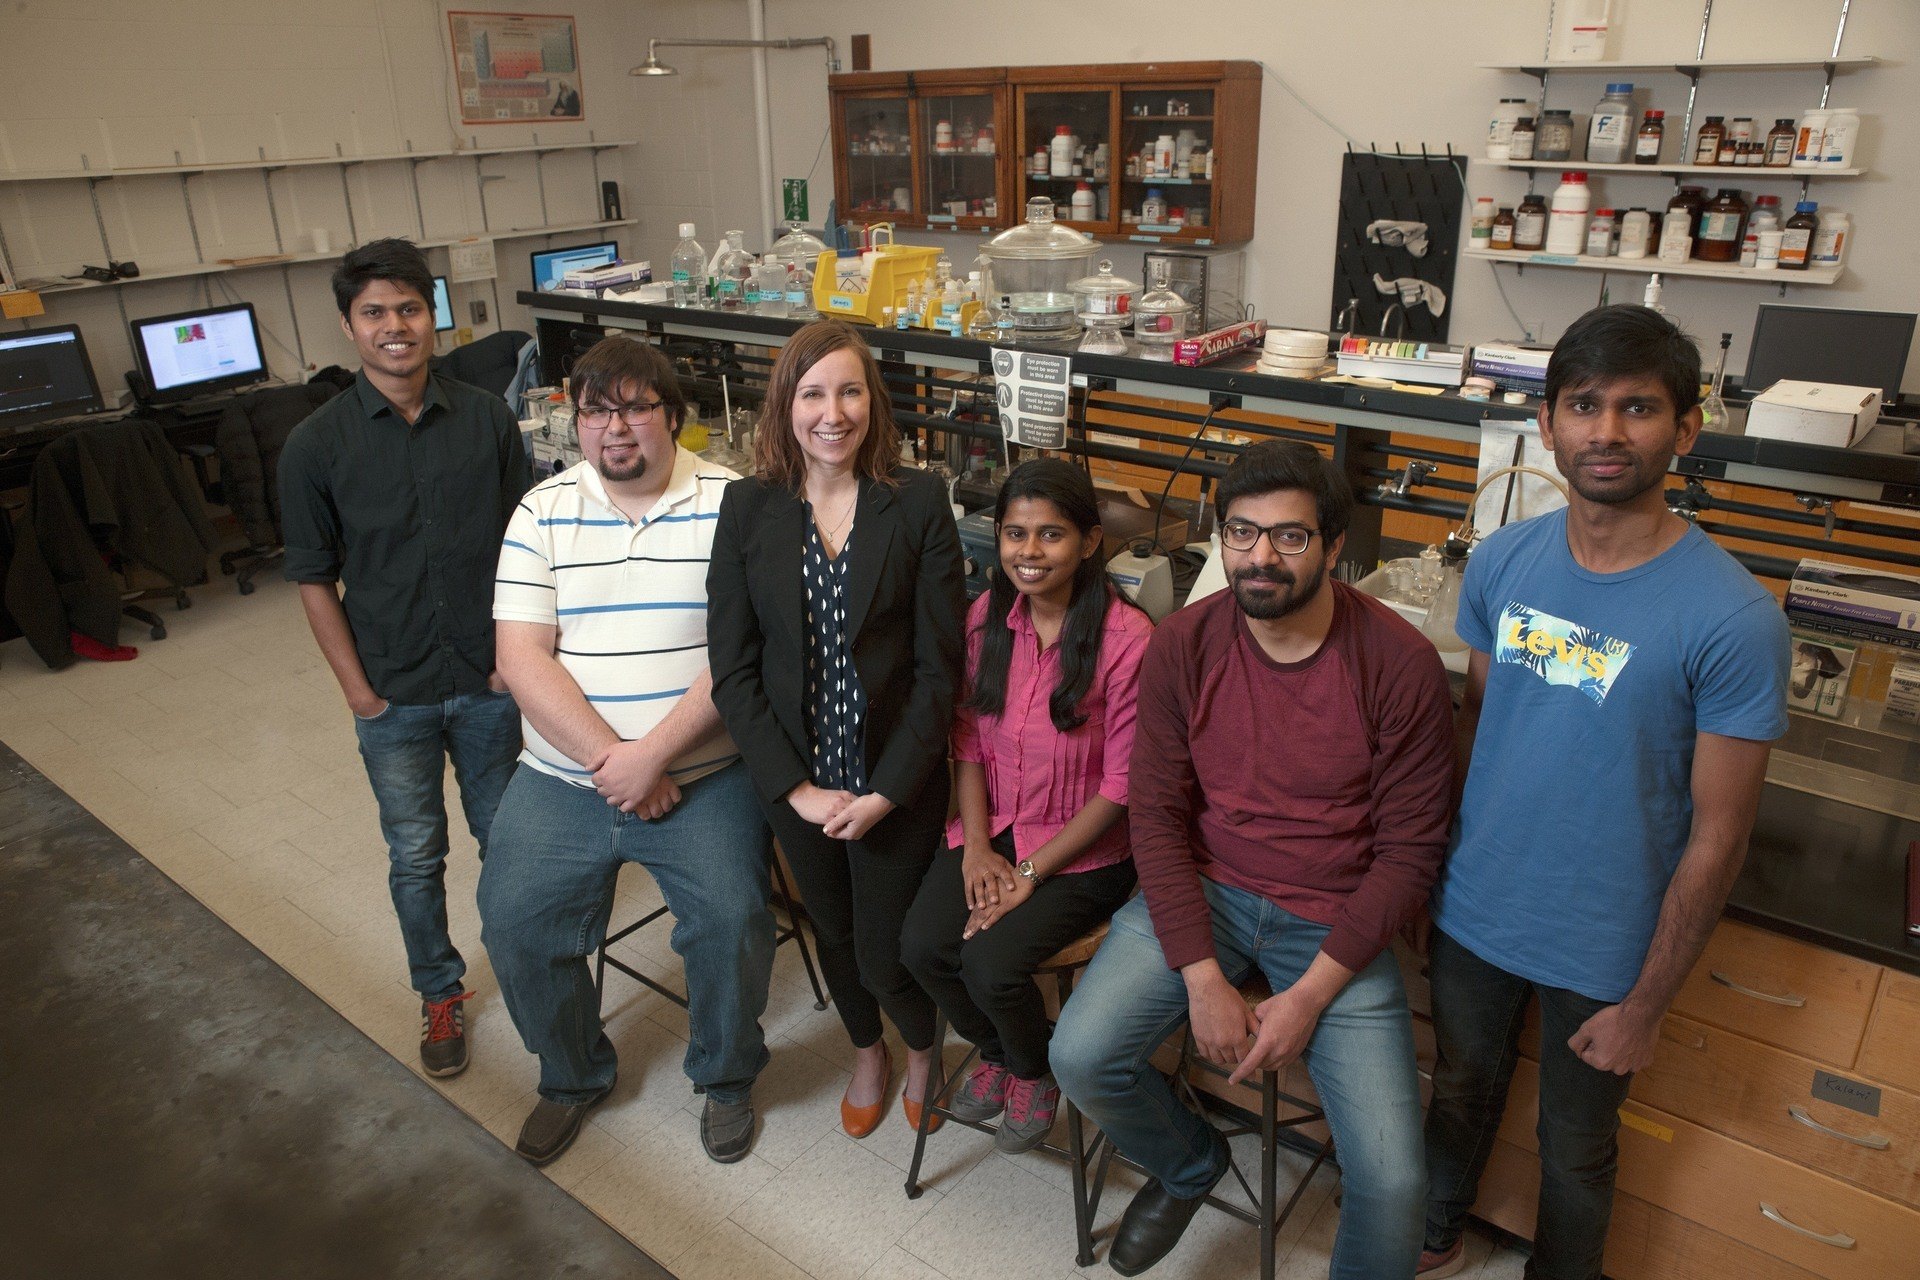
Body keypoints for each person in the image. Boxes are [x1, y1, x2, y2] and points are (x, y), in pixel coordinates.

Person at [1417, 305, 1789, 1280]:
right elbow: (1480, 727)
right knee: (1457, 1089)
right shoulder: (1503, 562)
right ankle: (1434, 1231)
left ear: (1686, 428)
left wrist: (1649, 1001)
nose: (1607, 430)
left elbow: (1720, 833)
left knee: (1575, 1146)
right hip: (1477, 908)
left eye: (1639, 407)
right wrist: (1433, 878)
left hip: (1608, 943)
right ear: (1547, 424)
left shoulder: (1734, 617)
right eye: (1584, 405)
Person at [1051, 440, 1454, 1279]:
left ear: (1335, 549)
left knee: (1394, 1182)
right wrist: (1202, 977)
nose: (1260, 556)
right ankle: (1190, 1163)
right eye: (1241, 532)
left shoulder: (1398, 663)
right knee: (1080, 1056)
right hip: (1210, 889)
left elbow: (1410, 853)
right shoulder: (1185, 643)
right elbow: (1157, 816)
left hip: (1333, 919)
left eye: (1289, 536)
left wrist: (1309, 998)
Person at [477, 336, 775, 1167]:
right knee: (512, 919)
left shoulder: (734, 504)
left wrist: (656, 757)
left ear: (673, 417)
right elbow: (521, 658)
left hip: (703, 774)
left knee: (733, 919)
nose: (615, 427)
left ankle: (725, 1075)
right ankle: (572, 1075)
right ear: (575, 421)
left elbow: (744, 654)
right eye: (595, 410)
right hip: (563, 777)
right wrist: (618, 761)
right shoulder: (540, 511)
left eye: (637, 407)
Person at [707, 319, 965, 1139]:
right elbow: (733, 670)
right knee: (835, 930)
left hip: (894, 777)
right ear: (785, 405)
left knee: (887, 946)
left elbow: (940, 669)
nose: (833, 412)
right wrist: (795, 789)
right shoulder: (748, 507)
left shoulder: (917, 500)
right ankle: (867, 1050)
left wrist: (887, 791)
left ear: (872, 401)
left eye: (850, 391)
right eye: (813, 393)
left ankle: (920, 1049)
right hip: (798, 781)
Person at [280, 237, 528, 1079]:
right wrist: (360, 694)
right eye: (375, 312)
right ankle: (439, 991)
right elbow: (313, 578)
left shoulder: (487, 419)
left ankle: (525, 967)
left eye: (410, 309)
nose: (396, 326)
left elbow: (524, 549)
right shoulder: (315, 446)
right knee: (417, 854)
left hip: (490, 682)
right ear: (349, 325)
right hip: (393, 691)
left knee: (508, 840)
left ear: (433, 315)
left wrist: (515, 660)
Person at [900, 459, 1149, 1154]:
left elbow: (1120, 788)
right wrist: (978, 848)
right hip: (996, 828)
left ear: (1090, 542)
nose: (1029, 552)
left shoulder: (1128, 641)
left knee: (991, 965)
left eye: (1051, 534)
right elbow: (968, 744)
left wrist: (1029, 875)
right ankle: (1001, 1054)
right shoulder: (986, 619)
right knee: (922, 948)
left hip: (1085, 852)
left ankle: (1033, 1071)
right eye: (1015, 533)